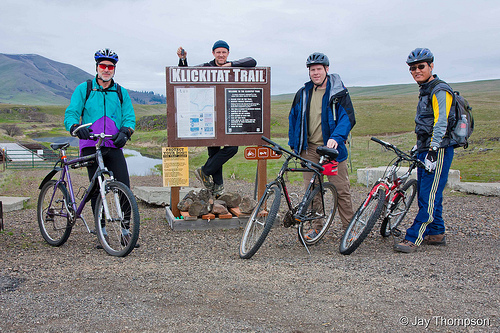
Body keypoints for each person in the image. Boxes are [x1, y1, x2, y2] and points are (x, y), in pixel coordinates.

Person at [64, 48, 137, 248]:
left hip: (113, 144)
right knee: (96, 189)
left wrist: (126, 132)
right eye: (103, 66)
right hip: (91, 144)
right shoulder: (84, 89)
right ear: (96, 67)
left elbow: (129, 116)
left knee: (124, 186)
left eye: (110, 67)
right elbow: (72, 112)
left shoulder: (120, 92)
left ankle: (126, 231)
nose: (106, 70)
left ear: (114, 69)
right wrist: (75, 128)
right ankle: (102, 231)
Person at [288, 52, 355, 239]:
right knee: (311, 190)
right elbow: (293, 119)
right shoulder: (303, 93)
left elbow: (348, 118)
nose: (315, 73)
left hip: (332, 151)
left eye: (318, 69)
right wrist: (294, 145)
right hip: (309, 149)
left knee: (341, 190)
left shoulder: (338, 92)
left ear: (327, 69)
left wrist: (337, 137)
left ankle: (349, 229)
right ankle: (316, 226)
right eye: (312, 70)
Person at [176, 40, 257, 197]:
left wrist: (230, 65)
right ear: (213, 53)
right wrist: (183, 60)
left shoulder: (233, 66)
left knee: (232, 148)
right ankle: (218, 187)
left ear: (228, 53)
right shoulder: (206, 67)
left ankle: (204, 171)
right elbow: (185, 74)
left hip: (227, 118)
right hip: (208, 117)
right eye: (218, 52)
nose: (221, 55)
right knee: (214, 153)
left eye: (224, 52)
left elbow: (252, 61)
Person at [394, 48, 455, 253]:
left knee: (428, 195)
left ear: (431, 66)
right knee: (429, 192)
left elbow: (441, 123)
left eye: (421, 66)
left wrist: (433, 150)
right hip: (425, 148)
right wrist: (420, 146)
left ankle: (414, 237)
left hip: (437, 151)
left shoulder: (440, 90)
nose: (416, 71)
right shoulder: (425, 89)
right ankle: (436, 232)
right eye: (412, 68)